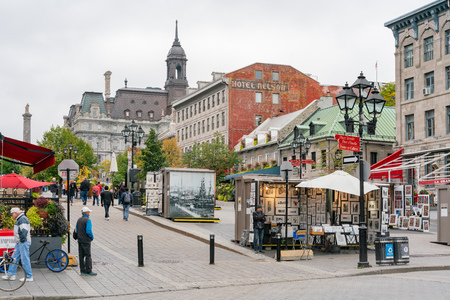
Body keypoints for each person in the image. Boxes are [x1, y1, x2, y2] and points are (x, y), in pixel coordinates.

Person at [2, 207, 33, 282]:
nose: (11, 216)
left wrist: (21, 240)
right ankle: (11, 274)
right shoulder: (21, 219)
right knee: (14, 257)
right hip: (21, 242)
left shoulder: (22, 219)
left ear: (15, 213)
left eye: (12, 214)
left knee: (24, 259)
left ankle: (29, 276)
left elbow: (24, 231)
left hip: (23, 242)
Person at [75, 207, 96, 276]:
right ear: (86, 212)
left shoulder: (79, 220)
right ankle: (88, 270)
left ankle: (82, 271)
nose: (89, 213)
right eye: (89, 212)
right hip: (86, 240)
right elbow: (88, 231)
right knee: (88, 255)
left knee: (81, 256)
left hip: (80, 240)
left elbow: (76, 230)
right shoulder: (88, 220)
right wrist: (92, 237)